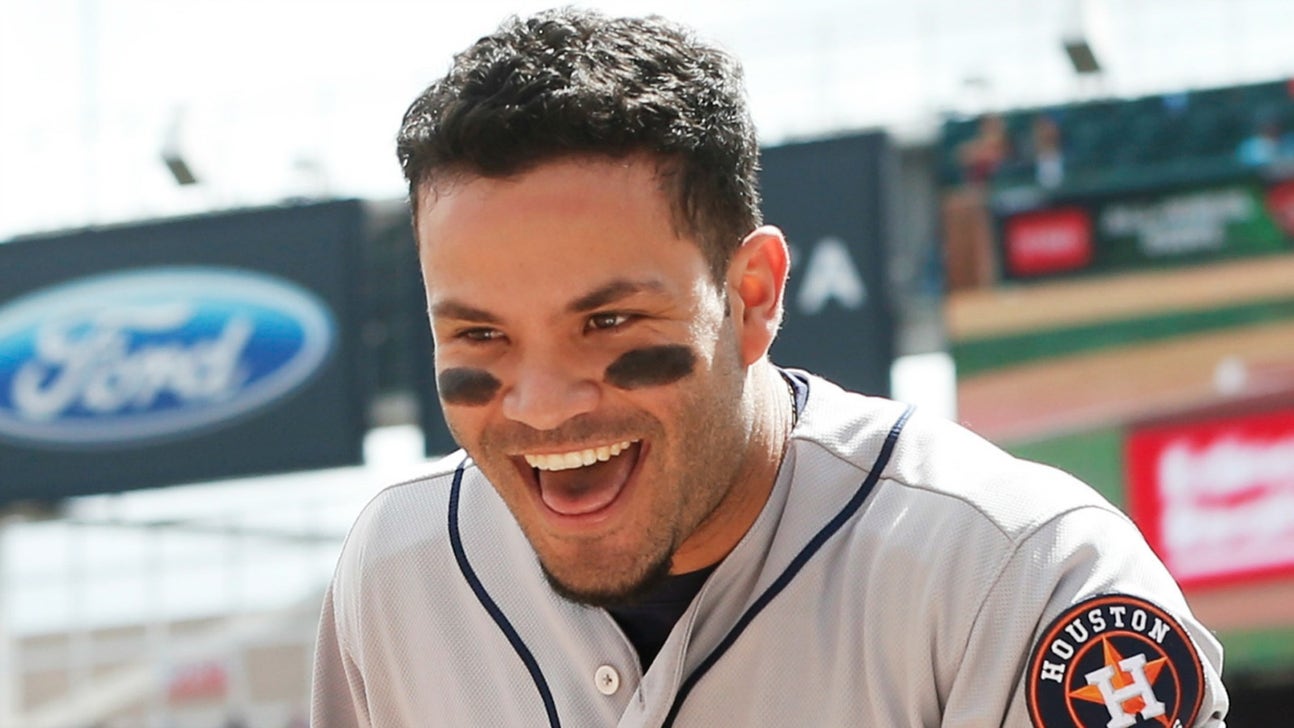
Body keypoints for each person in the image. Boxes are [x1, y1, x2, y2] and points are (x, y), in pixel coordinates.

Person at [312, 8, 1228, 727]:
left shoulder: (1018, 576)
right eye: (481, 336)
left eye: (609, 320)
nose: (544, 406)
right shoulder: (401, 568)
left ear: (752, 295)